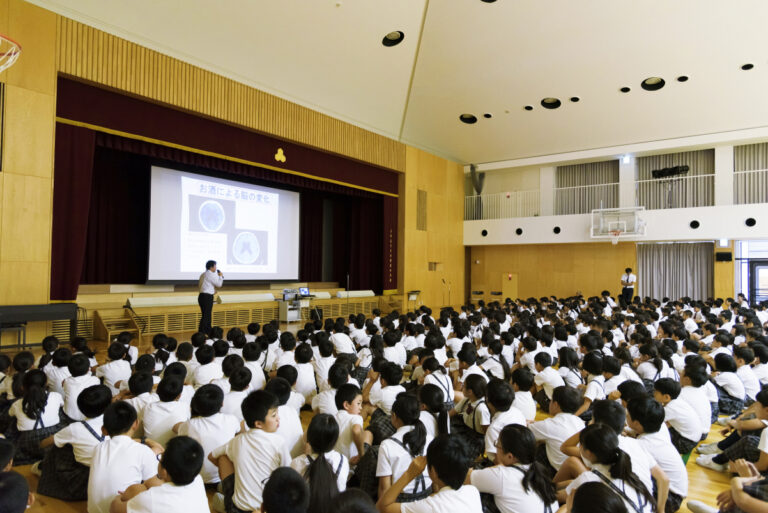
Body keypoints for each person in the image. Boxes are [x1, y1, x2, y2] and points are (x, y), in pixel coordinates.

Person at [210, 390, 291, 513]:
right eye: (274, 415)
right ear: (258, 423)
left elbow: (212, 456)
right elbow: (289, 472)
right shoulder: (279, 442)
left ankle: (226, 499)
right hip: (268, 508)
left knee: (223, 457)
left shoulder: (237, 440)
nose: (278, 419)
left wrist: (238, 472)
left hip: (238, 508)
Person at [87, 401, 162, 513]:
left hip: (92, 510)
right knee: (145, 487)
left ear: (104, 430)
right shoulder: (143, 451)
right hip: (118, 509)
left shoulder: (98, 447)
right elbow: (156, 487)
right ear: (136, 424)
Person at [376, 434, 482, 513]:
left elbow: (382, 507)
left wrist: (408, 474)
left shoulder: (430, 506)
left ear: (433, 472)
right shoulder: (472, 491)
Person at [470, 424, 558, 513]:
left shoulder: (502, 475)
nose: (495, 448)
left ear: (510, 456)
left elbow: (464, 477)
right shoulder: (539, 472)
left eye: (497, 445)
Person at [110, 436, 209, 513]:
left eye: (161, 457)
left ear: (164, 472)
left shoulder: (152, 499)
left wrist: (119, 497)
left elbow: (114, 508)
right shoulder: (197, 481)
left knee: (135, 490)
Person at [198, 260, 223, 335]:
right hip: (207, 297)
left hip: (202, 296)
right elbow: (219, 284)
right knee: (207, 316)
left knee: (205, 315)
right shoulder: (210, 274)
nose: (216, 268)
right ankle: (203, 333)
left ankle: (205, 331)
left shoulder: (204, 274)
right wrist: (221, 276)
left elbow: (203, 285)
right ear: (211, 267)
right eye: (215, 266)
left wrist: (212, 290)